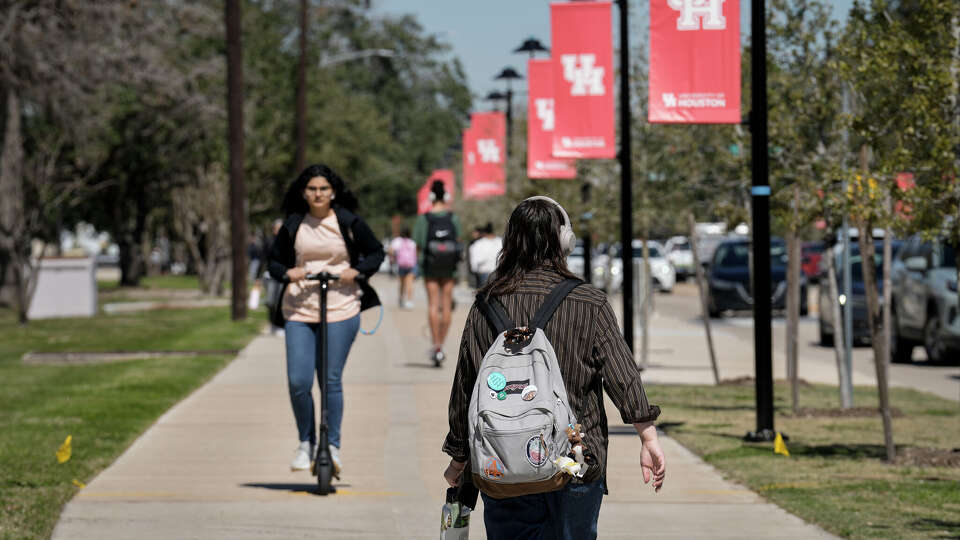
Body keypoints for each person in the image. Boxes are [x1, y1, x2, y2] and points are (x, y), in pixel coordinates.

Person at [441, 197, 665, 540]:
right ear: (564, 241)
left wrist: (459, 456)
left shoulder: (485, 304)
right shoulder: (589, 302)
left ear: (509, 241)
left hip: (502, 461)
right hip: (575, 460)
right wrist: (647, 436)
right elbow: (623, 376)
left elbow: (466, 388)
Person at [267, 163, 384, 476]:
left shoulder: (348, 222)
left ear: (333, 192)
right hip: (300, 308)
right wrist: (288, 272)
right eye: (312, 189)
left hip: (342, 306)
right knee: (298, 381)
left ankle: (332, 445)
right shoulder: (294, 224)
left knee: (330, 379)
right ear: (303, 193)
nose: (318, 194)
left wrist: (356, 272)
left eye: (323, 189)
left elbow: (376, 252)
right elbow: (274, 262)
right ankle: (305, 442)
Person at [413, 180, 462, 365]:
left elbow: (418, 244)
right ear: (446, 196)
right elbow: (457, 240)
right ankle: (442, 342)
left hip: (430, 266)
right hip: (449, 267)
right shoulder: (453, 217)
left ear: (431, 196)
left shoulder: (423, 218)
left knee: (433, 305)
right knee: (446, 306)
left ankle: (436, 346)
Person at [388, 227, 417, 309]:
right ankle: (409, 301)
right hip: (411, 265)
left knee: (401, 284)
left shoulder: (397, 241)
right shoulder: (412, 242)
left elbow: (390, 250)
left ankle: (401, 299)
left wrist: (393, 257)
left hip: (401, 265)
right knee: (409, 284)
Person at [468, 222, 502, 286]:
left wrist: (474, 270)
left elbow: (475, 259)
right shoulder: (501, 242)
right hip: (497, 271)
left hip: (485, 272)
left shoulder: (478, 244)